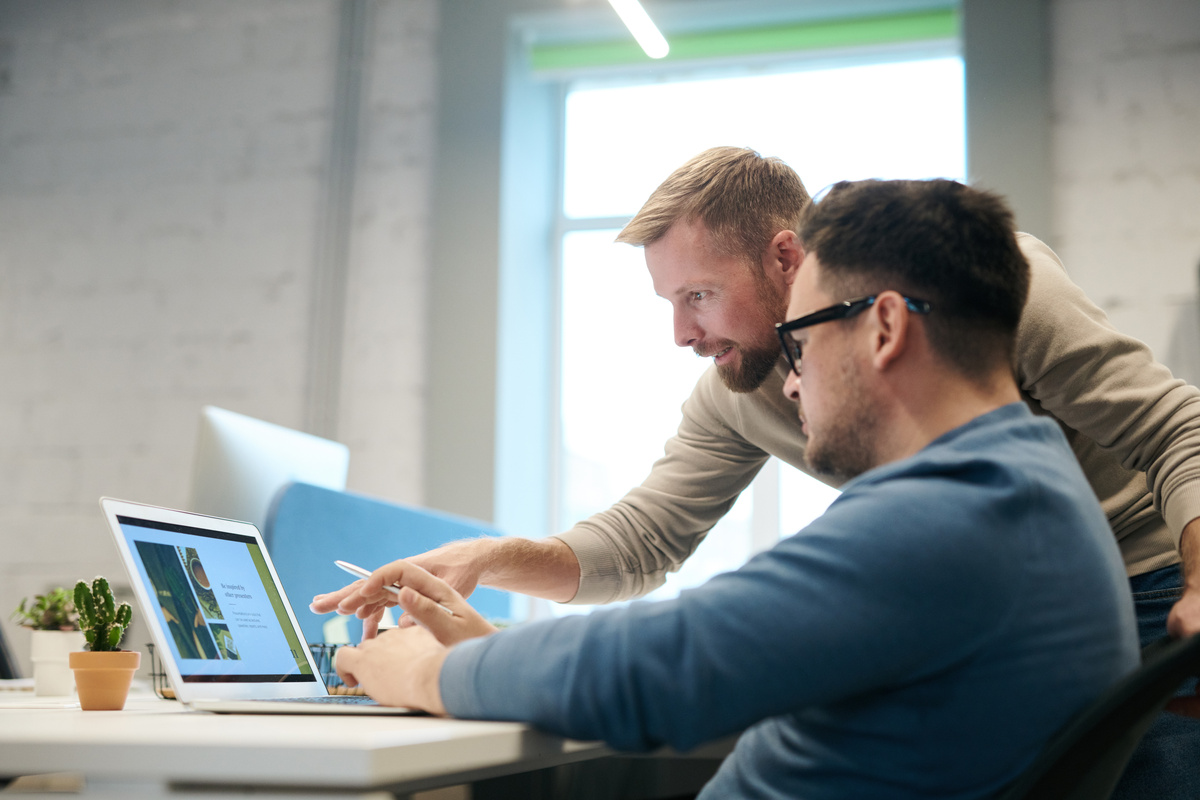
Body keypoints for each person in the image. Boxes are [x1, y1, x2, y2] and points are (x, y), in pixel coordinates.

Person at [313, 147, 1200, 798]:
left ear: (880, 324)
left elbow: (664, 667)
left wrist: (419, 673)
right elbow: (650, 544)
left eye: (697, 296)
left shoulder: (954, 478)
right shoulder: (998, 482)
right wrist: (495, 585)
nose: (791, 373)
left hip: (1143, 589)